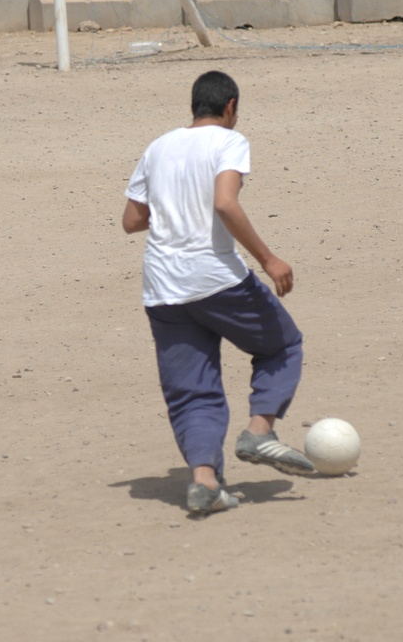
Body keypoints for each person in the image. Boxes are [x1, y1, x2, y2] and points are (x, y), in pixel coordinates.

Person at [122, 70, 315, 516]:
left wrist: (173, 208)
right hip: (214, 279)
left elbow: (132, 221)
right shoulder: (229, 141)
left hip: (162, 290)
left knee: (192, 390)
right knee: (282, 344)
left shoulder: (158, 147)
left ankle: (205, 482)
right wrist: (268, 260)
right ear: (230, 107)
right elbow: (225, 202)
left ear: (193, 107)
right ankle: (259, 431)